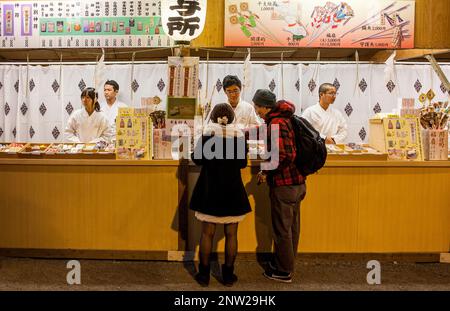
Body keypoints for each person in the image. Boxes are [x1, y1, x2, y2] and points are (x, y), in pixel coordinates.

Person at [190, 103, 251, 287]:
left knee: (207, 233)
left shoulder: (208, 135)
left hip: (210, 188)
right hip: (232, 189)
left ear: (213, 116)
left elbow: (197, 159)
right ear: (231, 118)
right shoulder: (238, 137)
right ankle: (228, 275)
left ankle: (203, 275)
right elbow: (242, 163)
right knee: (232, 233)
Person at [252, 89, 306, 283]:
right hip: (296, 182)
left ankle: (283, 271)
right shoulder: (284, 118)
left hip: (285, 184)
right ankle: (286, 263)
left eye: (257, 106)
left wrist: (265, 171)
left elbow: (283, 156)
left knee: (282, 229)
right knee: (291, 227)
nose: (256, 110)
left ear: (265, 106)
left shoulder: (277, 122)